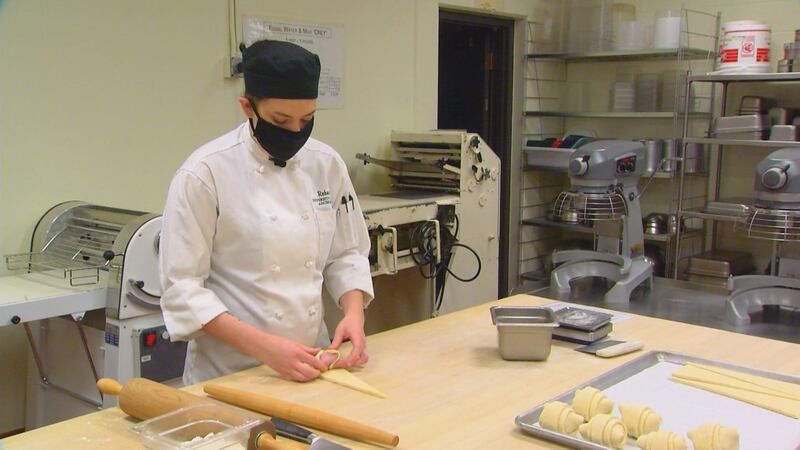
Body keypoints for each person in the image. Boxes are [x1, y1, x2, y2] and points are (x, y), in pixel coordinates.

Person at [159, 40, 374, 384]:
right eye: (280, 119)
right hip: (230, 376)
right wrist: (267, 349)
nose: (295, 131)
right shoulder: (205, 173)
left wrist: (352, 314)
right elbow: (182, 288)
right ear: (248, 107)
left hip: (315, 363)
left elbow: (347, 254)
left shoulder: (326, 164)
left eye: (307, 119)